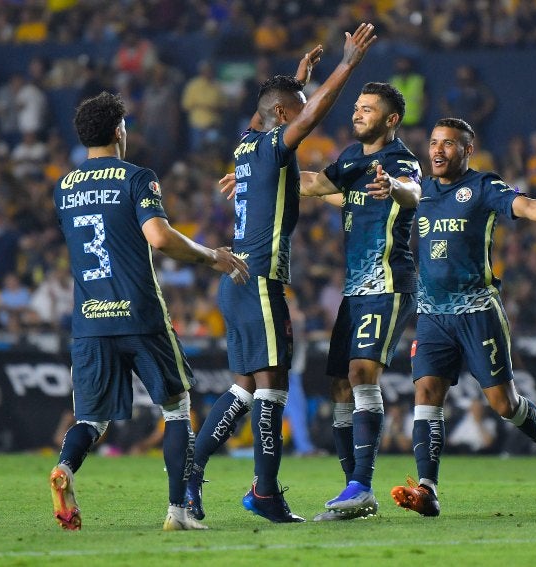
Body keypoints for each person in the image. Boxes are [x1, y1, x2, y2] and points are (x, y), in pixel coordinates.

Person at [185, 23, 378, 525]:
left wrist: (295, 79)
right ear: (284, 117)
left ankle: (193, 474)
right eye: (295, 106)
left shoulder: (246, 143)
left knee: (245, 388)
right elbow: (310, 113)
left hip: (236, 282)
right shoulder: (272, 145)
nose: (302, 111)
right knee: (271, 388)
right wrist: (347, 64)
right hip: (260, 279)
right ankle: (265, 493)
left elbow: (272, 107)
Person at [48, 91, 248, 532]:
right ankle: (178, 511)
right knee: (177, 408)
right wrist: (211, 256)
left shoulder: (63, 188)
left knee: (91, 419)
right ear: (120, 131)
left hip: (89, 319)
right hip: (139, 314)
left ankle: (65, 467)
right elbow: (159, 236)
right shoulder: (137, 178)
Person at [391, 118, 536, 518]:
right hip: (433, 313)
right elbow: (391, 195)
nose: (437, 150)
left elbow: (530, 206)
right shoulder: (420, 190)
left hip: (477, 311)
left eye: (448, 144)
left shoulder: (484, 187)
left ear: (467, 150)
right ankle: (427, 489)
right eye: (434, 143)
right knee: (426, 392)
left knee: (503, 404)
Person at [297, 82, 422, 521]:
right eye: (356, 107)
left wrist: (394, 187)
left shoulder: (399, 159)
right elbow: (316, 184)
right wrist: (263, 178)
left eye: (367, 109)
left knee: (361, 372)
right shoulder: (352, 157)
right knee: (339, 385)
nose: (358, 113)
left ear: (390, 120)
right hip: (355, 289)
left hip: (388, 283)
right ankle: (353, 489)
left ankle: (361, 487)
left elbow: (413, 192)